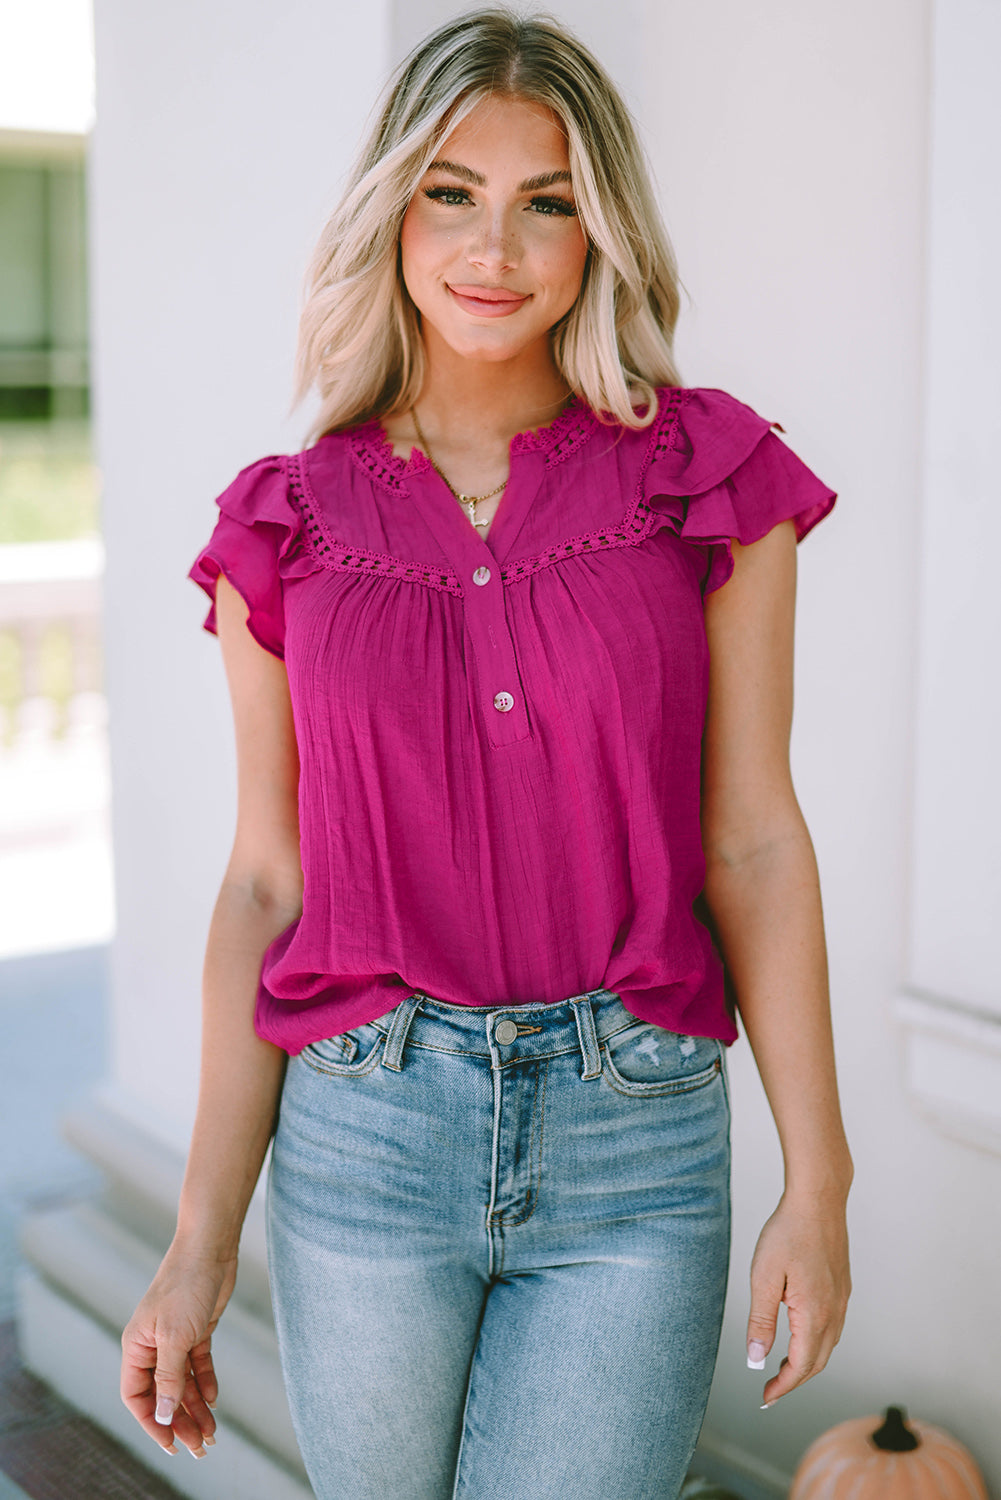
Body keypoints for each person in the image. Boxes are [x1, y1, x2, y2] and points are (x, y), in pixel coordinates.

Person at [120, 10, 852, 1498]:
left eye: (548, 201)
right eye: (451, 191)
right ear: (392, 206)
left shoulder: (707, 479)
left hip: (634, 1137)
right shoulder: (285, 521)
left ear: (602, 232)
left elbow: (753, 842)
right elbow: (267, 883)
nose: (493, 249)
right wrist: (197, 1247)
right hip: (365, 1127)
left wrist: (817, 1181)